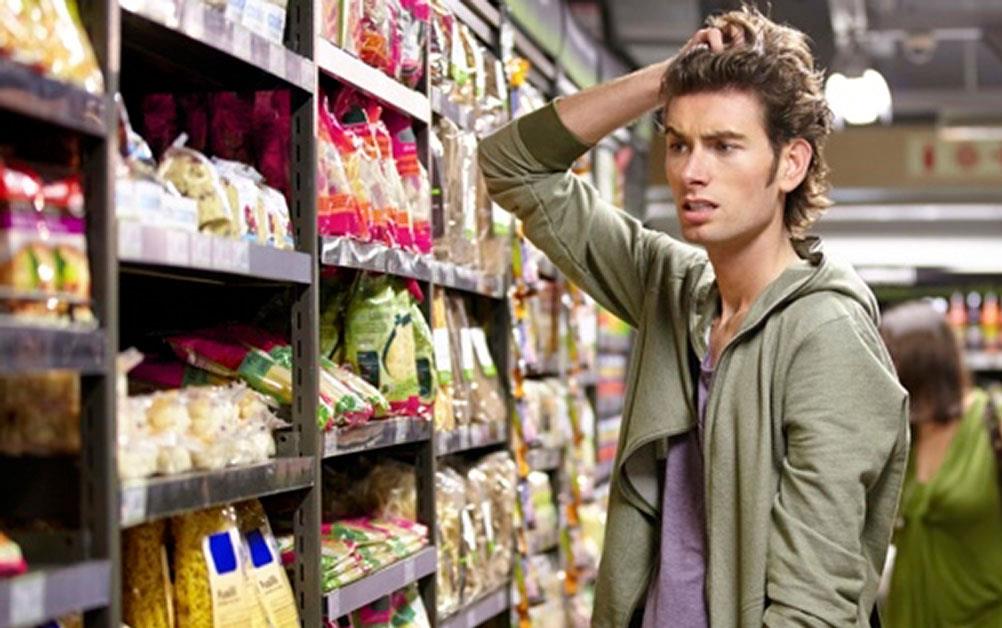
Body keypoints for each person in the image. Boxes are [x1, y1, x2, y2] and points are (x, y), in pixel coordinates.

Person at [479, 6, 909, 627]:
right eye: (679, 143)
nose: (691, 172)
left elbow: (811, 611)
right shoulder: (676, 288)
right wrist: (667, 79)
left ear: (791, 164)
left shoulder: (827, 338)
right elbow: (511, 166)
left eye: (724, 146)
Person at [879, 301, 1002, 628]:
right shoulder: (900, 437)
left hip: (984, 616)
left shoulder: (993, 424)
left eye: (886, 358)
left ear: (919, 366)